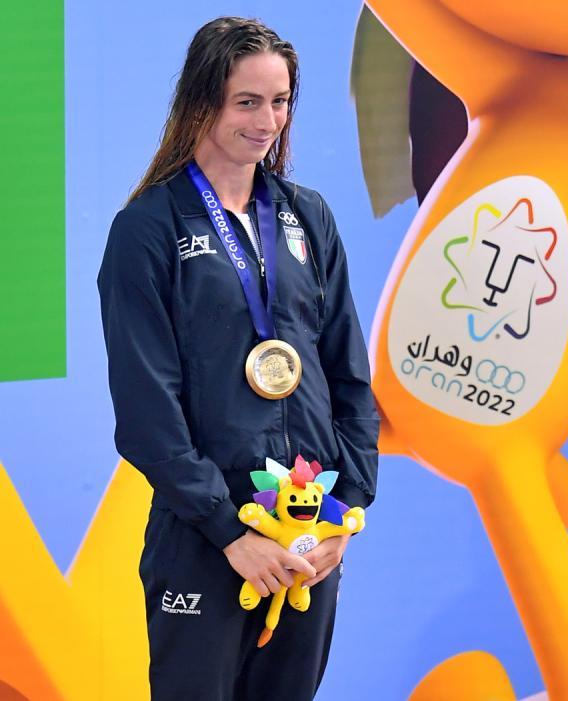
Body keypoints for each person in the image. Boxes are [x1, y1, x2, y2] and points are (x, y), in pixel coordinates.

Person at [98, 16, 379, 701]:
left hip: (305, 532)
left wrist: (345, 508)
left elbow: (348, 373)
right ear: (202, 101)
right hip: (205, 537)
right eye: (246, 102)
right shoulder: (149, 228)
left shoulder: (307, 217)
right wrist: (230, 533)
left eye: (279, 102)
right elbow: (146, 412)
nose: (267, 122)